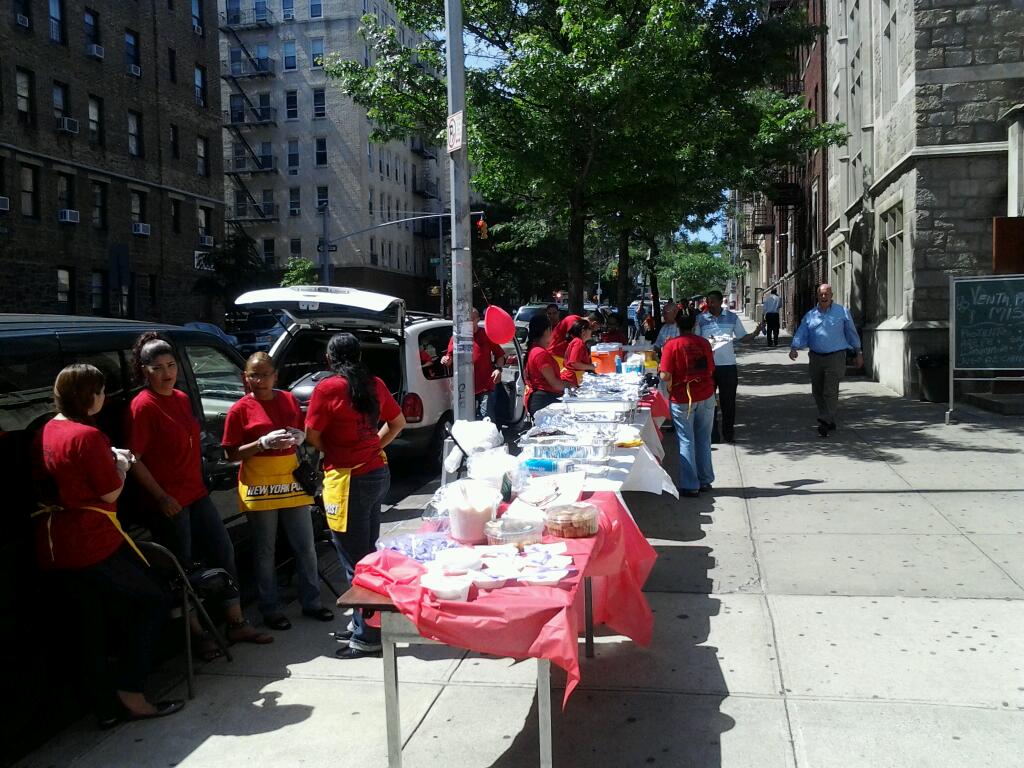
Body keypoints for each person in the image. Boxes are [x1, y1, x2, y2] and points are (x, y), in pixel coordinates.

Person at [33, 364, 184, 727]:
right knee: (153, 600)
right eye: (101, 390)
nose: (105, 397)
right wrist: (121, 463)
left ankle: (103, 706)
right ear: (90, 396)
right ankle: (131, 691)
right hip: (91, 541)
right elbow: (110, 491)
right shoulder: (87, 436)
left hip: (54, 543)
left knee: (89, 626)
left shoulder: (45, 429)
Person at [127, 333, 273, 651]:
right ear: (144, 370)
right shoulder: (142, 407)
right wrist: (161, 496)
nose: (167, 374)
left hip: (196, 493)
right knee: (183, 568)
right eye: (158, 368)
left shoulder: (180, 398)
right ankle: (197, 636)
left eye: (171, 365)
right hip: (170, 502)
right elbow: (133, 459)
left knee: (224, 553)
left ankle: (236, 623)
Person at [306, 333, 406, 659]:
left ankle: (367, 636)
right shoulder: (374, 383)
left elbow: (312, 436)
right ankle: (361, 622)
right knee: (367, 555)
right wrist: (374, 445)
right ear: (359, 357)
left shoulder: (327, 389)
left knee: (356, 562)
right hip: (377, 472)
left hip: (349, 480)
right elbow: (398, 422)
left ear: (329, 360)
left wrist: (334, 452)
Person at [221, 353, 334, 631]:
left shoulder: (287, 400)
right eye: (253, 375)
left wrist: (298, 437)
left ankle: (312, 601)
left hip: (290, 481)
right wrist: (260, 443)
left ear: (275, 375)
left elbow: (301, 432)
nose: (259, 380)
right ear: (245, 377)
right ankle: (270, 609)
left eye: (264, 374)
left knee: (305, 545)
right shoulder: (240, 409)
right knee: (264, 550)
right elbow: (230, 453)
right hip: (260, 485)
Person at [789, 284, 863, 437]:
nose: (824, 297)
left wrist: (858, 352)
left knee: (830, 390)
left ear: (831, 295)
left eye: (826, 294)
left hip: (836, 357)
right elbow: (802, 331)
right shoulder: (810, 315)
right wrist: (794, 347)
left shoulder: (842, 312)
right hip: (816, 357)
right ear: (818, 296)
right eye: (821, 294)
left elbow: (852, 333)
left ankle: (824, 420)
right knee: (817, 391)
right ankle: (829, 418)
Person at [659, 311, 716, 497]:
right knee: (703, 439)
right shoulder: (704, 343)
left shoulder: (671, 345)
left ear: (676, 324)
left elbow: (665, 375)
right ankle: (705, 480)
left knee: (686, 440)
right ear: (694, 324)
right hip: (706, 394)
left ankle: (691, 485)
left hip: (683, 397)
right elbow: (711, 368)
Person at [698, 290, 761, 443]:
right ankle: (712, 435)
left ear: (720, 302)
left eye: (713, 301)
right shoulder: (700, 319)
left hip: (728, 366)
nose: (710, 304)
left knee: (728, 402)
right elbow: (696, 341)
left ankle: (728, 433)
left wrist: (755, 333)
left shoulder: (732, 318)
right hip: (708, 368)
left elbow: (742, 337)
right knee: (708, 404)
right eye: (708, 301)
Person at [440, 307, 506, 418]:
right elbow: (449, 358)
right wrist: (445, 360)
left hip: (485, 386)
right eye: (466, 319)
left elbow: (500, 355)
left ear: (477, 320)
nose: (469, 322)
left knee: (487, 420)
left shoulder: (485, 334)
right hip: (464, 389)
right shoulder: (458, 337)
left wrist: (498, 369)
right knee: (467, 421)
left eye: (472, 319)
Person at [524, 315, 566, 417]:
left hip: (543, 399)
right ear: (547, 330)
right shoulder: (540, 353)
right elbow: (554, 383)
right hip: (544, 401)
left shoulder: (536, 350)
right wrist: (572, 387)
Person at [560, 317, 596, 386]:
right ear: (583, 331)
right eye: (590, 328)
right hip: (571, 379)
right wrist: (592, 367)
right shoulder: (578, 343)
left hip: (573, 378)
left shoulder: (577, 341)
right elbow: (575, 363)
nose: (591, 331)